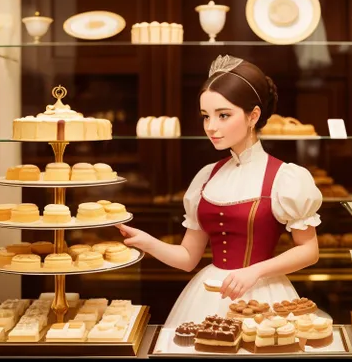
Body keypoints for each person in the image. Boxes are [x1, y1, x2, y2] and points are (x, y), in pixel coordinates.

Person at [116, 55, 323, 328]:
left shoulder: (285, 177)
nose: (211, 127)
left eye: (223, 115)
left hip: (263, 295)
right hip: (208, 292)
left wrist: (255, 271)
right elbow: (188, 258)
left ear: (254, 116)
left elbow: (310, 250)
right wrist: (146, 241)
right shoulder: (207, 176)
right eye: (206, 116)